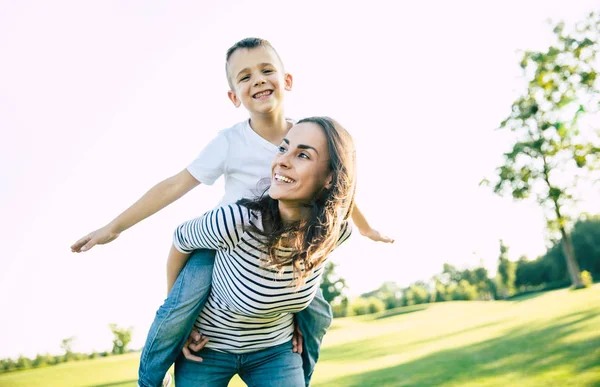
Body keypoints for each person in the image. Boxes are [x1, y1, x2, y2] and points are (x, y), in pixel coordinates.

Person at [70, 38, 393, 387]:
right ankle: (154, 377)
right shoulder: (230, 143)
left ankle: (296, 360)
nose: (257, 79)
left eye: (267, 70)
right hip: (223, 244)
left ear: (287, 81)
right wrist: (115, 227)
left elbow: (338, 192)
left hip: (284, 249)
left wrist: (366, 228)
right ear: (233, 97)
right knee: (179, 309)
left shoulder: (307, 137)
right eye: (245, 77)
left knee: (315, 311)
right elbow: (175, 185)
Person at [172, 116, 355, 386]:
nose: (281, 160)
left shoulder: (336, 232)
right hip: (206, 348)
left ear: (330, 177)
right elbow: (179, 241)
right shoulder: (234, 221)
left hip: (276, 351)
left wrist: (295, 318)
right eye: (283, 148)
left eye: (303, 154)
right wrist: (181, 321)